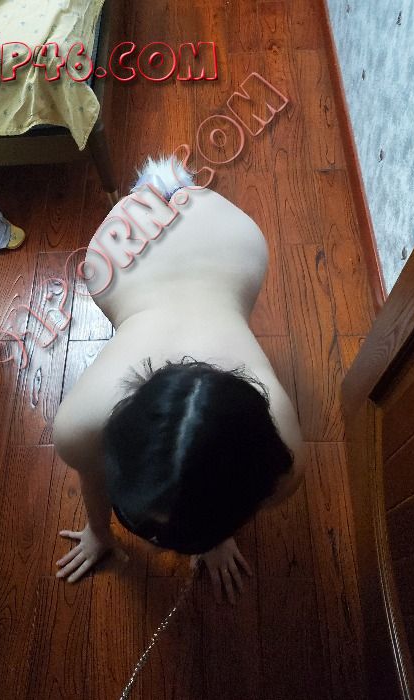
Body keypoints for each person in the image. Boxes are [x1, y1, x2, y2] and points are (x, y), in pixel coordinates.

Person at [52, 158, 305, 605]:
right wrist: (98, 531)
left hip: (219, 236)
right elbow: (93, 476)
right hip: (133, 248)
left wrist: (216, 537)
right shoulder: (79, 426)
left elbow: (235, 493)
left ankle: (168, 190)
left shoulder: (283, 462)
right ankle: (161, 193)